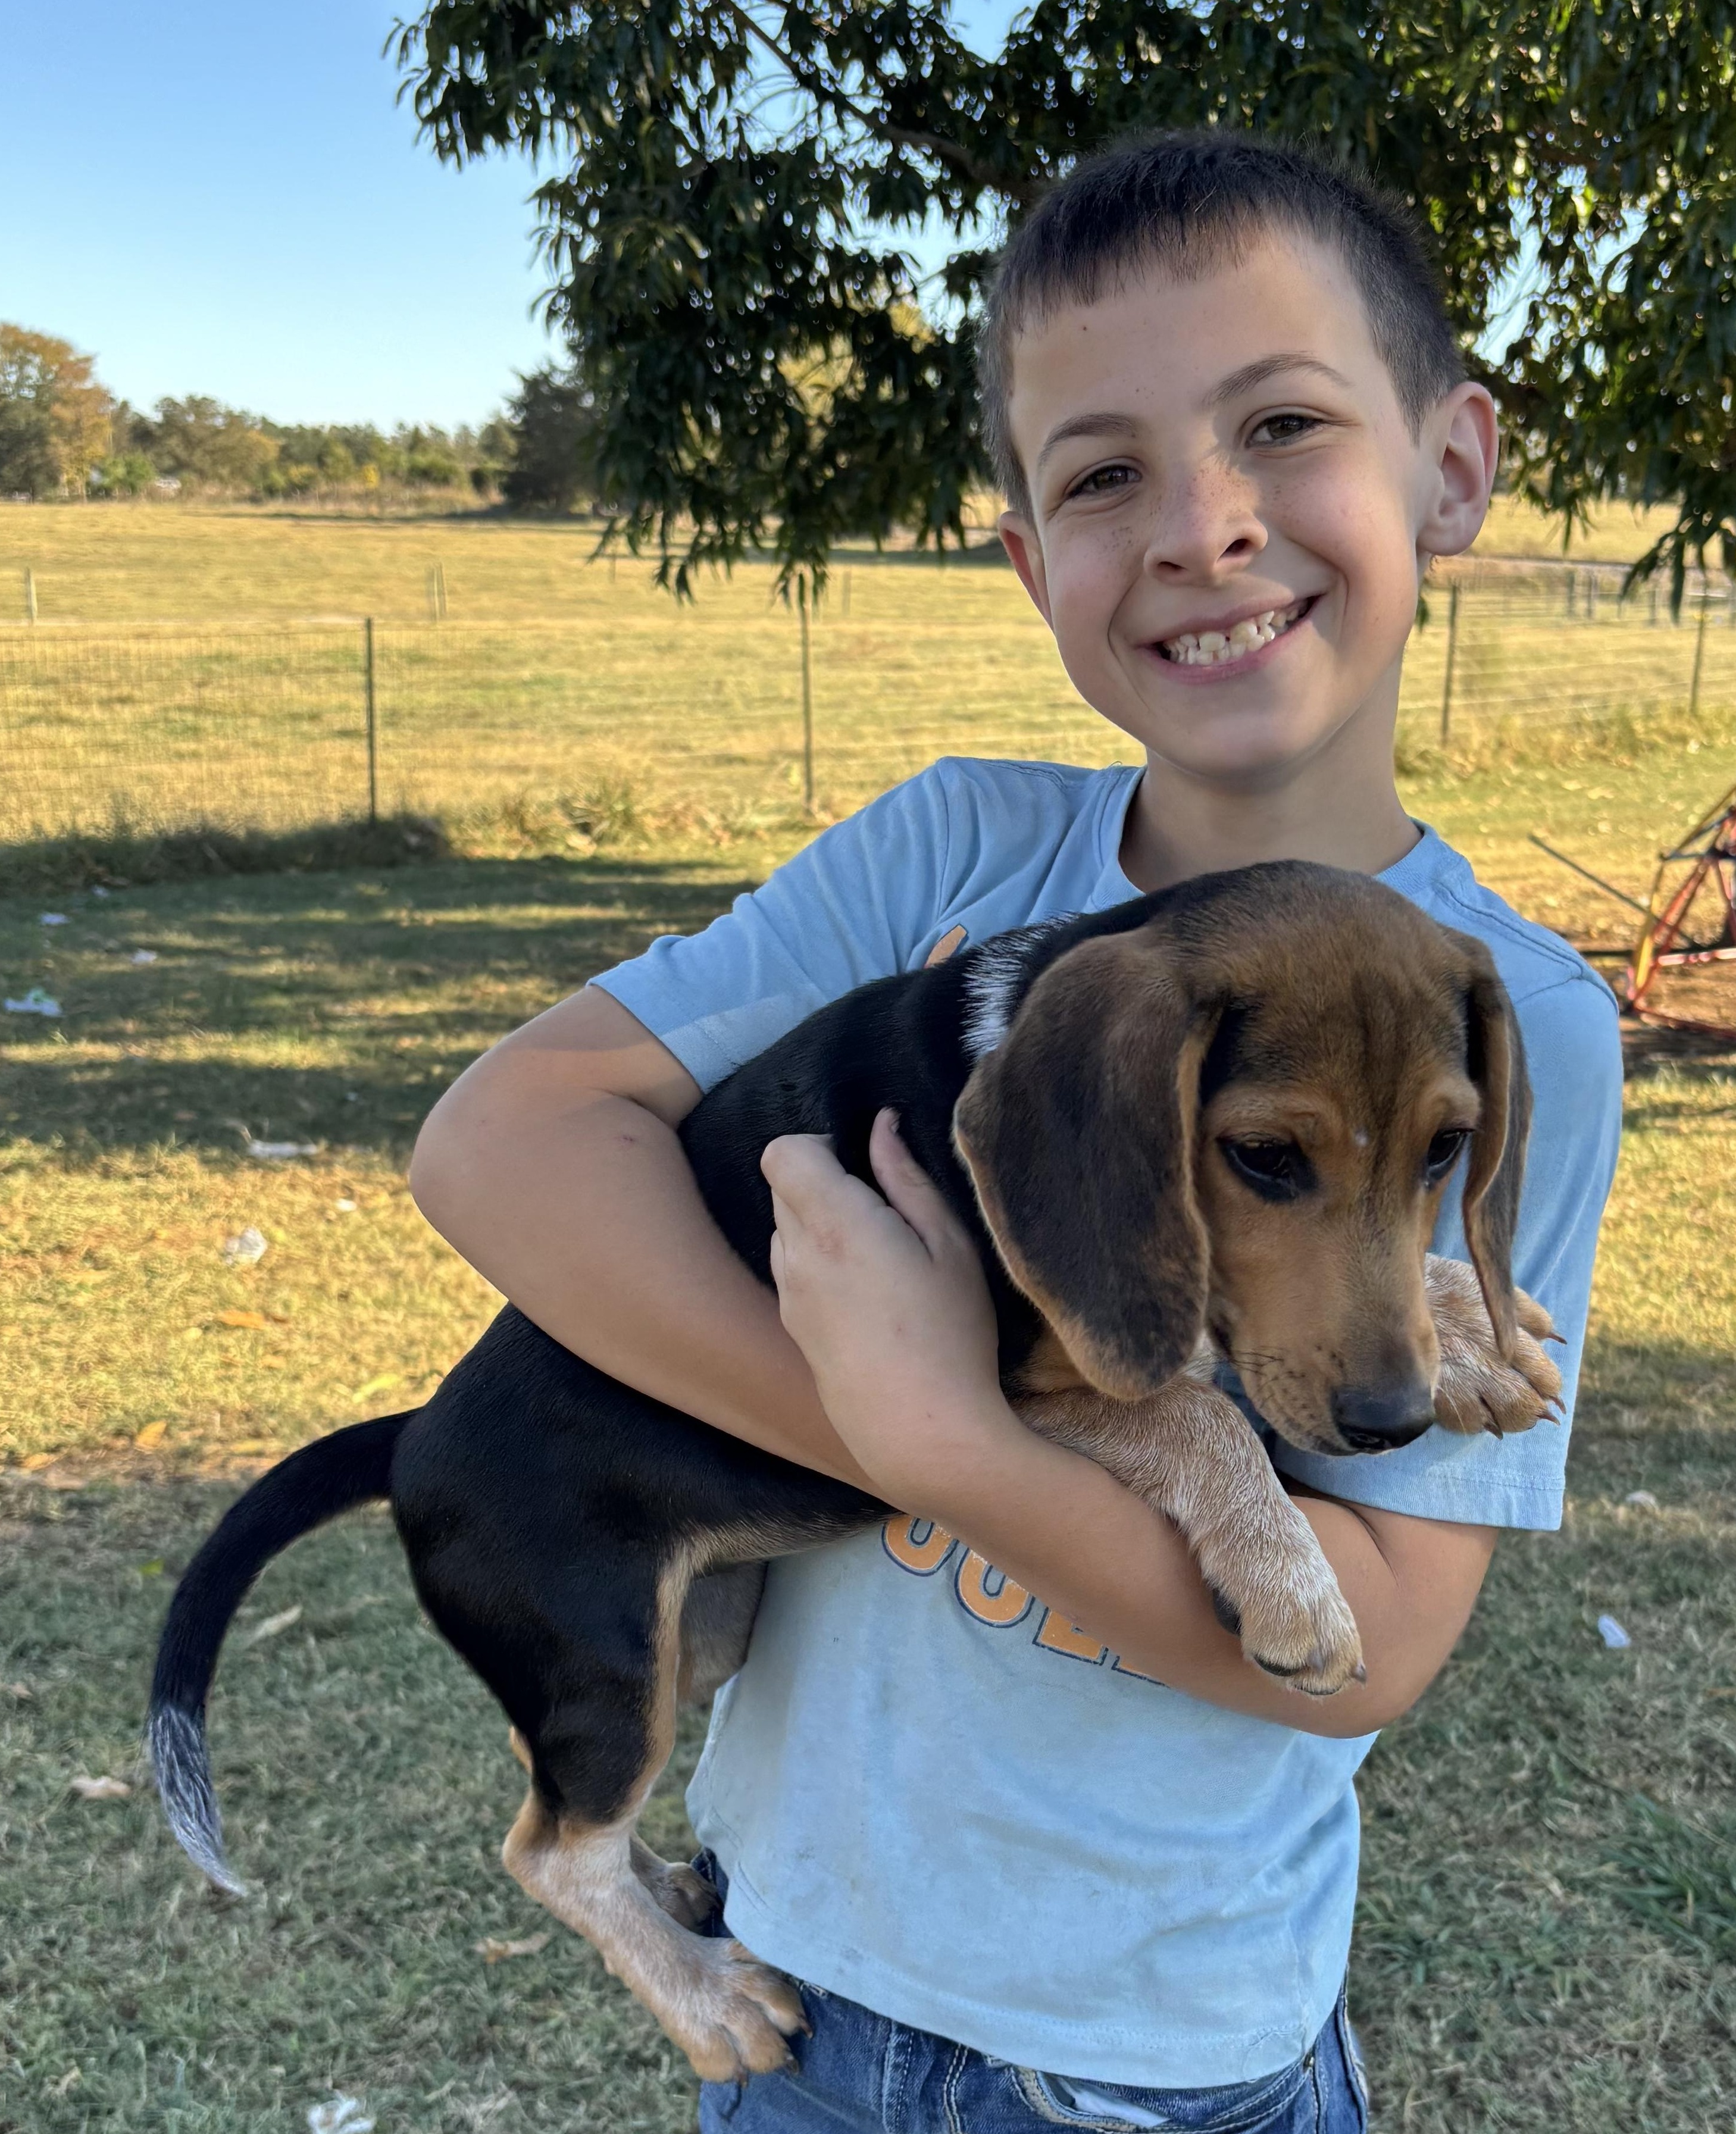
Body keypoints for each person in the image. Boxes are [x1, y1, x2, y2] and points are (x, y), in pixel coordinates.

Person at [410, 129, 1622, 2133]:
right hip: (799, 1978)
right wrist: (895, 1415)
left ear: (1453, 463)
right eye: (1103, 473)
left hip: (1165, 2045)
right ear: (1026, 556)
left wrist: (948, 1433)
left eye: (1284, 423)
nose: (1206, 528)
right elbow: (496, 1146)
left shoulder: (1523, 1023)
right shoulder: (948, 857)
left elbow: (1364, 1645)